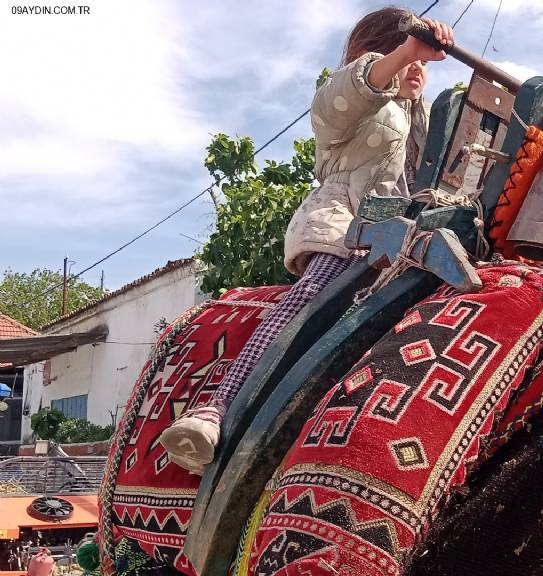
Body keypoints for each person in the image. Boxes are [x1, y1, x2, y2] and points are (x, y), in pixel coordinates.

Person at [159, 8, 454, 474]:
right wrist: (402, 55)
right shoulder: (346, 100)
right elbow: (353, 91)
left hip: (402, 242)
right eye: (406, 56)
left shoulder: (415, 118)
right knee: (316, 296)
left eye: (422, 61)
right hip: (344, 224)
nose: (416, 67)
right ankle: (215, 409)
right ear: (379, 51)